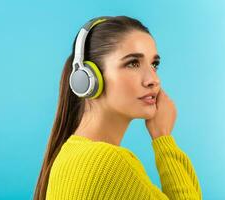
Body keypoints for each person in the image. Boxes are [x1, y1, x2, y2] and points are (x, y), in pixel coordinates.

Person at [34, 15, 202, 200]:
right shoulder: (108, 162)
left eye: (154, 64)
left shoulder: (69, 154)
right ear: (88, 78)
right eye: (133, 63)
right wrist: (163, 138)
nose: (154, 80)